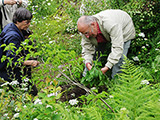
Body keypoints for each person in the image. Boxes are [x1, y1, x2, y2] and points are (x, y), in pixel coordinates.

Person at [77, 9, 135, 78]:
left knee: (120, 59)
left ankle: (116, 82)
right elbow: (87, 50)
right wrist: (87, 63)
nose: (86, 36)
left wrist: (107, 66)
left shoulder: (111, 24)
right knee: (94, 56)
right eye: (83, 34)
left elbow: (117, 48)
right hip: (103, 32)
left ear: (93, 24)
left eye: (86, 33)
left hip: (124, 30)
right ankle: (87, 79)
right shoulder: (86, 29)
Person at [0, 7, 39, 96]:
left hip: (8, 69)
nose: (29, 24)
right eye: (26, 22)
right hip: (8, 71)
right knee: (28, 92)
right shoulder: (13, 37)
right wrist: (30, 62)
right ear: (18, 21)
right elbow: (13, 60)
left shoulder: (11, 26)